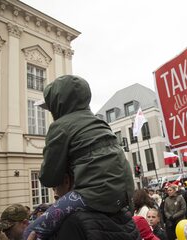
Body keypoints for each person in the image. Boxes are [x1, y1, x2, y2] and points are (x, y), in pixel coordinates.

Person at [24, 75, 135, 239]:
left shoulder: (60, 126)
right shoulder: (99, 122)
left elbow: (49, 177)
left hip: (93, 194)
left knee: (30, 232)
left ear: (58, 104)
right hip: (125, 195)